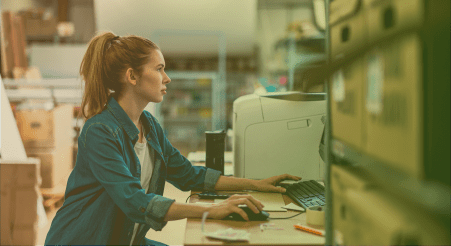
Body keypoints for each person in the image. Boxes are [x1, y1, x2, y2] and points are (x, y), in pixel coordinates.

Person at [44, 32, 301, 245]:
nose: (166, 78)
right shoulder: (100, 131)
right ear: (132, 76)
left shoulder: (150, 126)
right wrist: (212, 210)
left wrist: (256, 184)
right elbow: (135, 202)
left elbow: (189, 175)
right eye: (159, 69)